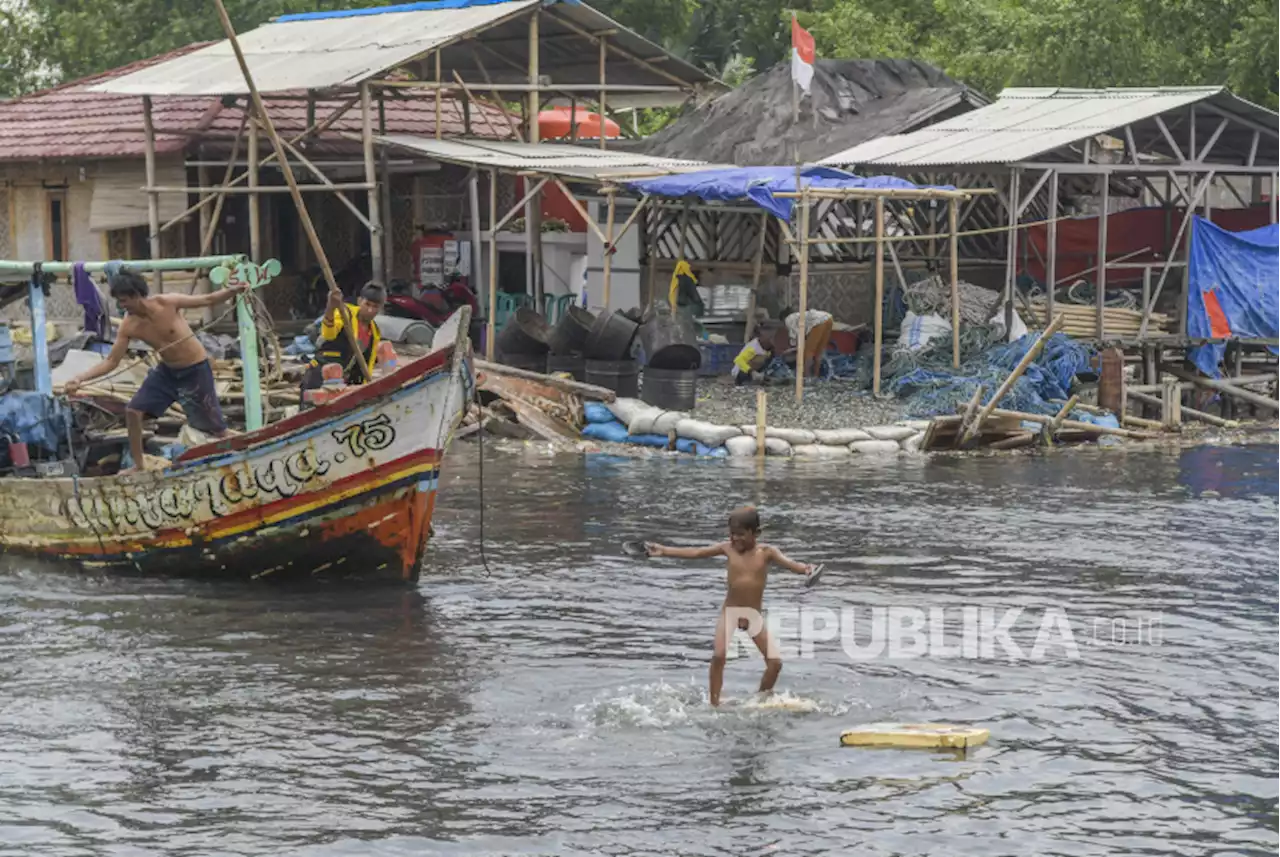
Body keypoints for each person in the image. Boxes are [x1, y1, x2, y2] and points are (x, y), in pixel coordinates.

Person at [63, 269, 246, 472]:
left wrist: (234, 291)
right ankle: (139, 464)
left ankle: (247, 450)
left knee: (216, 431)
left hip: (195, 371)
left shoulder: (167, 303)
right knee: (133, 411)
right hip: (167, 372)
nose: (122, 306)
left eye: (124, 301)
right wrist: (79, 378)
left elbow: (208, 299)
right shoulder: (129, 325)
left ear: (137, 295)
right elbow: (111, 361)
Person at [645, 507, 816, 707]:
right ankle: (714, 704)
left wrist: (807, 569)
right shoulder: (728, 548)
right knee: (718, 655)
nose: (735, 539)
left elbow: (792, 565)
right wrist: (664, 551)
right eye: (732, 534)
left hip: (753, 615)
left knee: (775, 663)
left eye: (741, 535)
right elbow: (698, 552)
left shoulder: (767, 552)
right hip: (731, 612)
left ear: (756, 533)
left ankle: (760, 699)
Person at [303, 282, 386, 390]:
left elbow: (367, 364)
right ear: (360, 301)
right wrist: (330, 308)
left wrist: (365, 388)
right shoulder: (345, 313)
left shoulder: (375, 332)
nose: (370, 310)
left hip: (342, 383)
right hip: (320, 376)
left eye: (375, 307)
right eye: (367, 304)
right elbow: (328, 334)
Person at [782, 306, 834, 379]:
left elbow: (798, 340)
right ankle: (816, 376)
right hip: (828, 319)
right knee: (818, 353)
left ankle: (807, 378)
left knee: (808, 353)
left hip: (818, 322)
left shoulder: (788, 319)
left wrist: (790, 351)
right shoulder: (799, 317)